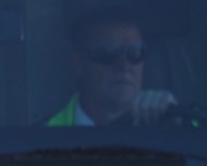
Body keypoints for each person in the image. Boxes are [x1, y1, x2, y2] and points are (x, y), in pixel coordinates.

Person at [48, 11, 178, 127]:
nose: (124, 66)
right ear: (78, 65)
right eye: (108, 54)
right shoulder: (46, 138)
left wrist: (174, 123)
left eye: (135, 53)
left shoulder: (174, 127)